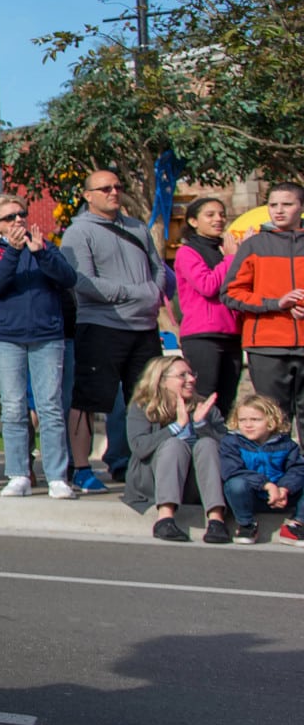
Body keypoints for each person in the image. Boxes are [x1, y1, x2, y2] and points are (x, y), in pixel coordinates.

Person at [63, 170, 169, 492]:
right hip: (101, 326)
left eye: (117, 187)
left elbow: (158, 268)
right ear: (87, 195)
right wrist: (133, 293)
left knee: (149, 398)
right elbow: (81, 280)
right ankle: (81, 468)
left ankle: (144, 465)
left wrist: (153, 291)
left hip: (145, 328)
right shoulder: (78, 232)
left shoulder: (137, 227)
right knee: (88, 400)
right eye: (105, 188)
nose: (113, 192)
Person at [0, 197, 78, 498]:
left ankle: (57, 476)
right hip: (6, 337)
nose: (18, 221)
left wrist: (42, 253)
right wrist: (14, 251)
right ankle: (18, 473)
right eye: (9, 218)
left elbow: (69, 278)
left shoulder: (44, 246)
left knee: (50, 406)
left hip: (46, 334)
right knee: (13, 407)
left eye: (21, 215)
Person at [224, 180, 304, 436]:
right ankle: (276, 474)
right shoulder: (254, 245)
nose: (278, 210)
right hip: (267, 346)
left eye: (287, 204)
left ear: (301, 207)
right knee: (273, 417)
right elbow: (231, 293)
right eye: (273, 205)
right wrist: (276, 304)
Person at [125, 356, 225, 543]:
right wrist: (176, 427)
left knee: (208, 444)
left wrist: (202, 425)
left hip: (196, 485)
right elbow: (139, 447)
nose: (191, 379)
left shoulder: (206, 408)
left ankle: (216, 520)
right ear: (161, 381)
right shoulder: (143, 407)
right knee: (174, 445)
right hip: (155, 482)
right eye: (182, 375)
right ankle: (165, 519)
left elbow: (228, 449)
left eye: (191, 374)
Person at [174, 196, 242, 414]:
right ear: (193, 221)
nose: (218, 220)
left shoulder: (226, 249)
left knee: (226, 401)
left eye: (222, 214)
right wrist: (230, 259)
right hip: (203, 335)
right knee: (203, 398)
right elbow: (207, 285)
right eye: (210, 215)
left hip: (232, 333)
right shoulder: (187, 252)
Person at [217, 393, 302, 545]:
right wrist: (267, 485)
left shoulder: (286, 444)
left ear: (271, 421)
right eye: (243, 420)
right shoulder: (231, 442)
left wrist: (284, 488)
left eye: (255, 420)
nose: (248, 425)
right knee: (235, 484)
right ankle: (246, 524)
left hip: (282, 497)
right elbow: (233, 470)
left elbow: (297, 470)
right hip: (250, 497)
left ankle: (296, 525)